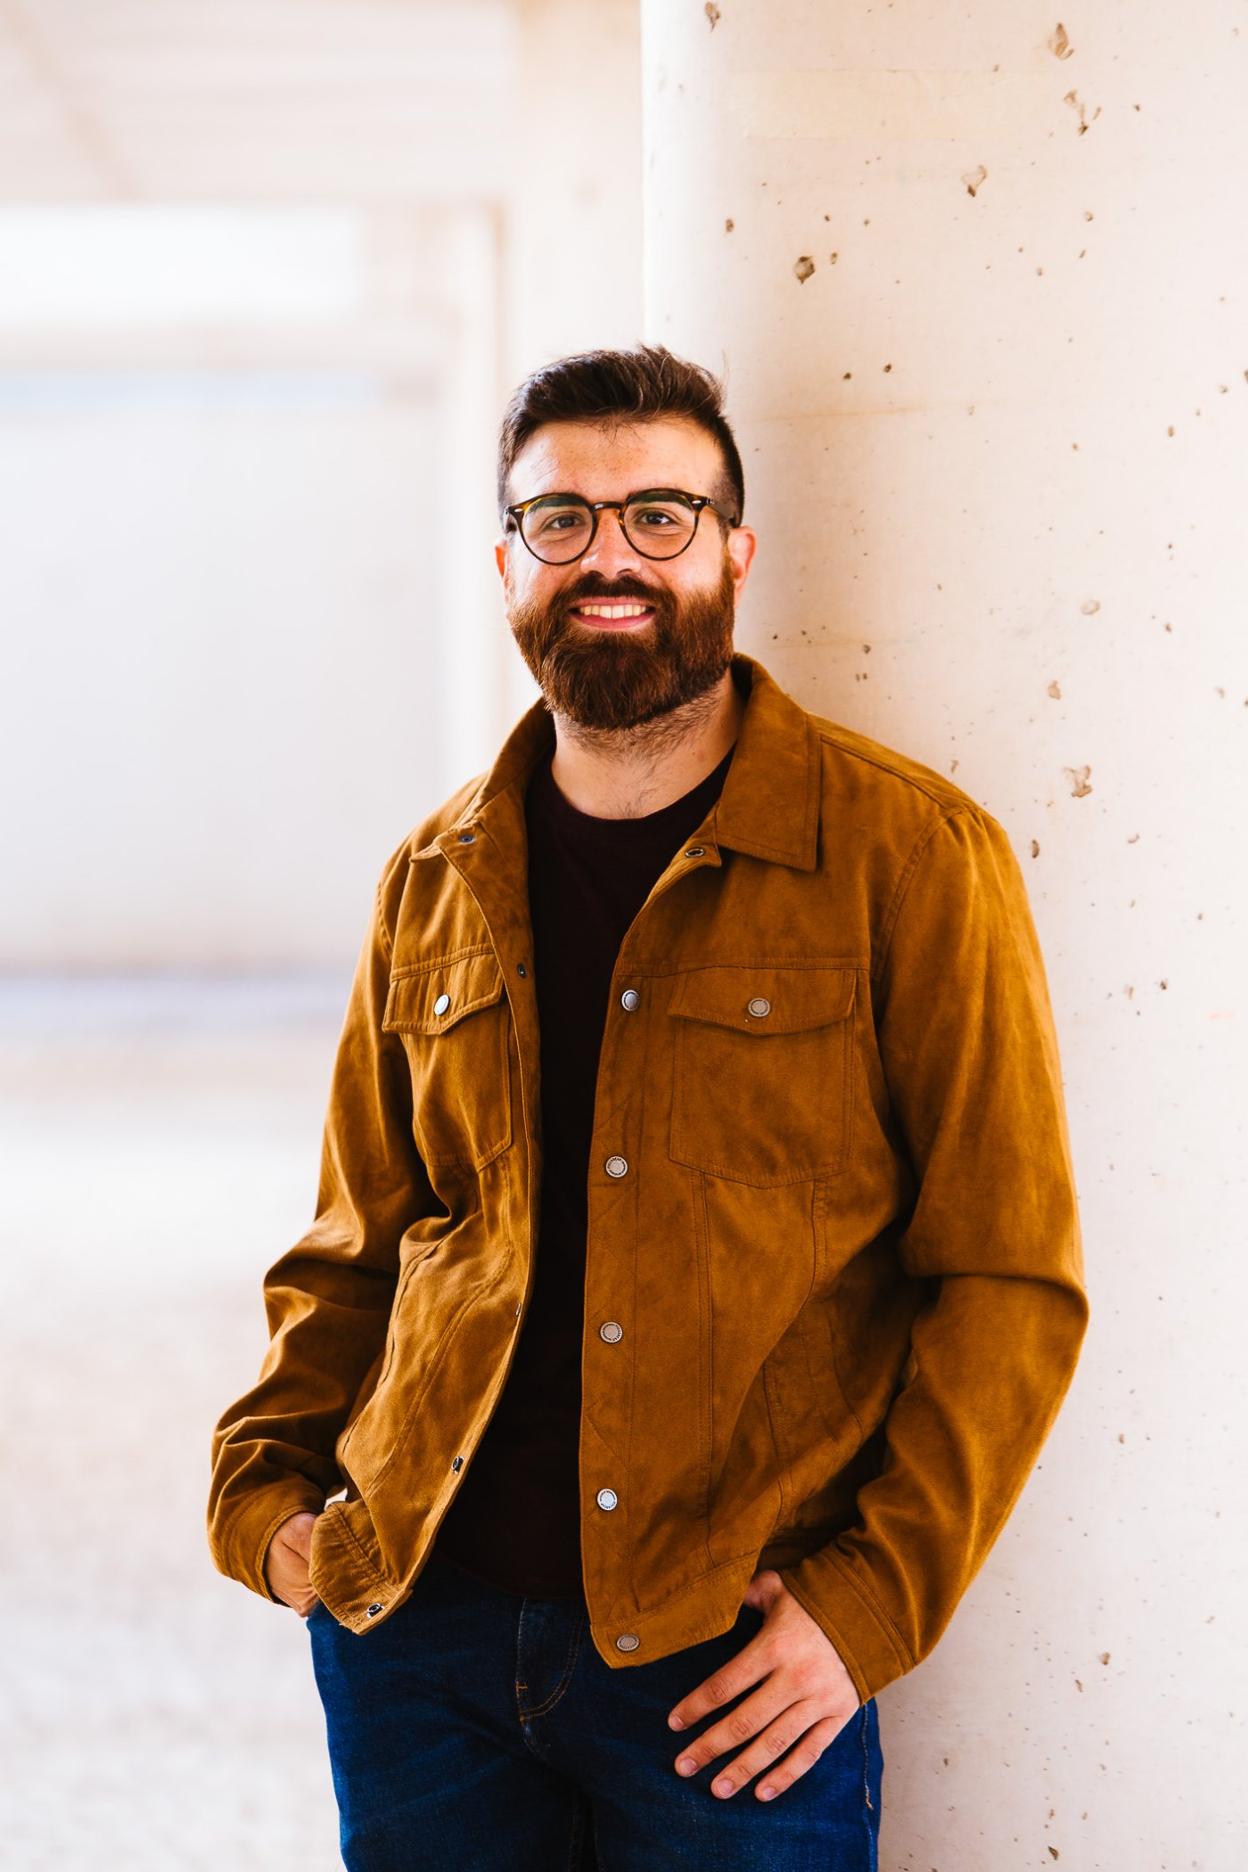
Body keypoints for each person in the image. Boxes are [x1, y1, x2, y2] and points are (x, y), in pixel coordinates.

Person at [207, 343, 1089, 1870]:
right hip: (421, 1641)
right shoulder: (432, 881)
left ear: (735, 554)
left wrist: (866, 1610)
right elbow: (361, 1247)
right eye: (561, 519)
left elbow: (1008, 1278)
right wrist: (275, 1512)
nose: (609, 556)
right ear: (508, 565)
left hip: (724, 1667)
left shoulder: (909, 859)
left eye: (660, 516)